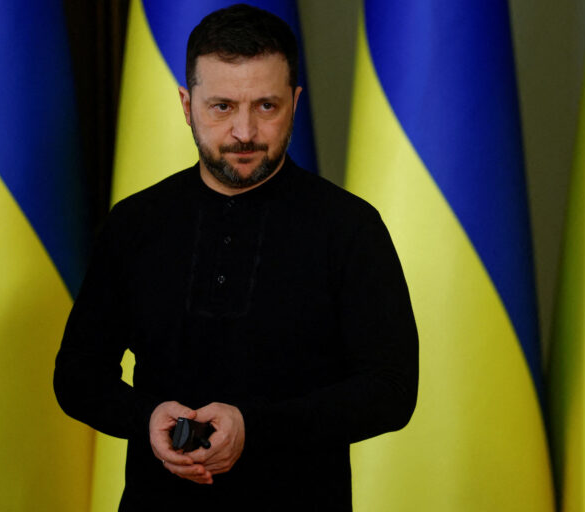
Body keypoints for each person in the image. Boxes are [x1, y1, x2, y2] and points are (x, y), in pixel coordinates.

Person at [53, 4, 418, 510]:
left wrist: (254, 428)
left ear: (294, 102)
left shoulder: (350, 226)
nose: (244, 132)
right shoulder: (134, 222)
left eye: (266, 106)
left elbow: (391, 390)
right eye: (222, 107)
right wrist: (146, 418)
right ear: (186, 105)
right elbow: (77, 375)